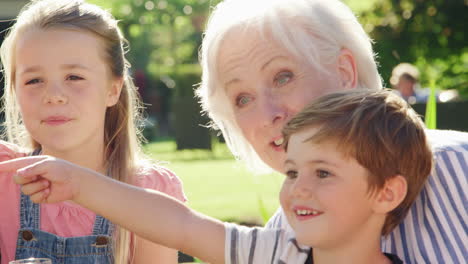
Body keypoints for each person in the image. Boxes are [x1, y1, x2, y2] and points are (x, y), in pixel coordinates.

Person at [0, 89, 433, 264]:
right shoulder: (273, 252)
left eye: (323, 173)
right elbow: (183, 226)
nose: (299, 187)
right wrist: (81, 184)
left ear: (386, 192)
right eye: (292, 170)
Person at [194, 0, 467, 263]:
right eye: (243, 98)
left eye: (282, 77)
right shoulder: (282, 240)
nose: (267, 115)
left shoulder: (458, 165)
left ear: (344, 72)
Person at [0, 0, 185, 263]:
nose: (53, 96)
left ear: (112, 89)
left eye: (74, 77)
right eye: (34, 80)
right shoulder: (5, 178)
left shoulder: (147, 192)